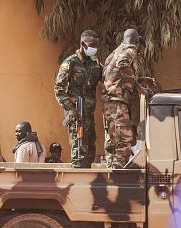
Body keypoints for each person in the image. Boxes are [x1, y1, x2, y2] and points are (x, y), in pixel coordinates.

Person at [102, 28, 154, 168]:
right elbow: (123, 64)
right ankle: (118, 179)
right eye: (140, 52)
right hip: (118, 102)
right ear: (137, 43)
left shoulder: (114, 52)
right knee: (124, 142)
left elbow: (113, 74)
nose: (139, 54)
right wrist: (139, 87)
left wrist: (139, 80)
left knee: (113, 142)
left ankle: (110, 173)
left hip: (109, 101)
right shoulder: (130, 49)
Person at [54, 30, 102, 168]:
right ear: (82, 44)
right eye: (91, 45)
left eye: (96, 45)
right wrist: (70, 108)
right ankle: (78, 181)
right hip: (76, 114)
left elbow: (107, 77)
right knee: (79, 150)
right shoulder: (70, 63)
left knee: (90, 151)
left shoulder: (95, 64)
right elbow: (59, 89)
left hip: (89, 115)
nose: (94, 48)